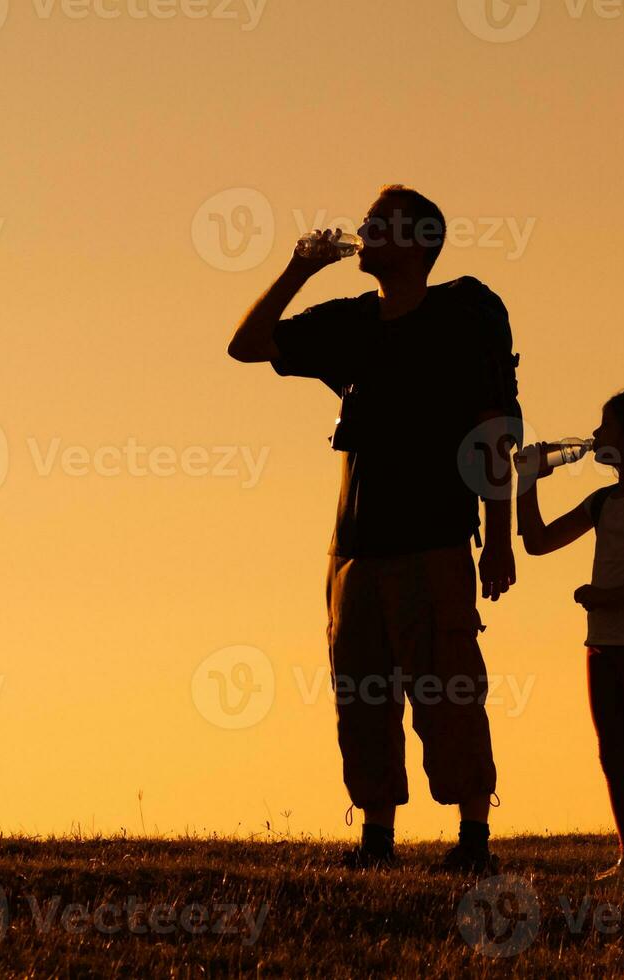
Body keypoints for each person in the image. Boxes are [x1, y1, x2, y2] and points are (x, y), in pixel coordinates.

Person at [227, 185, 520, 873]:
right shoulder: (352, 324)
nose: (361, 229)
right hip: (354, 548)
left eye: (378, 222)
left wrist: (499, 537)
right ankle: (377, 838)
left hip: (437, 538)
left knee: (448, 691)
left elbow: (493, 430)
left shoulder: (466, 313)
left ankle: (473, 839)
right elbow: (246, 345)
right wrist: (299, 267)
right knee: (361, 696)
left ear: (417, 240)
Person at [514, 390, 624, 893]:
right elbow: (538, 541)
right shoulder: (602, 501)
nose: (594, 438)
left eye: (605, 428)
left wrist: (609, 597)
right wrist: (527, 481)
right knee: (613, 752)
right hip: (602, 643)